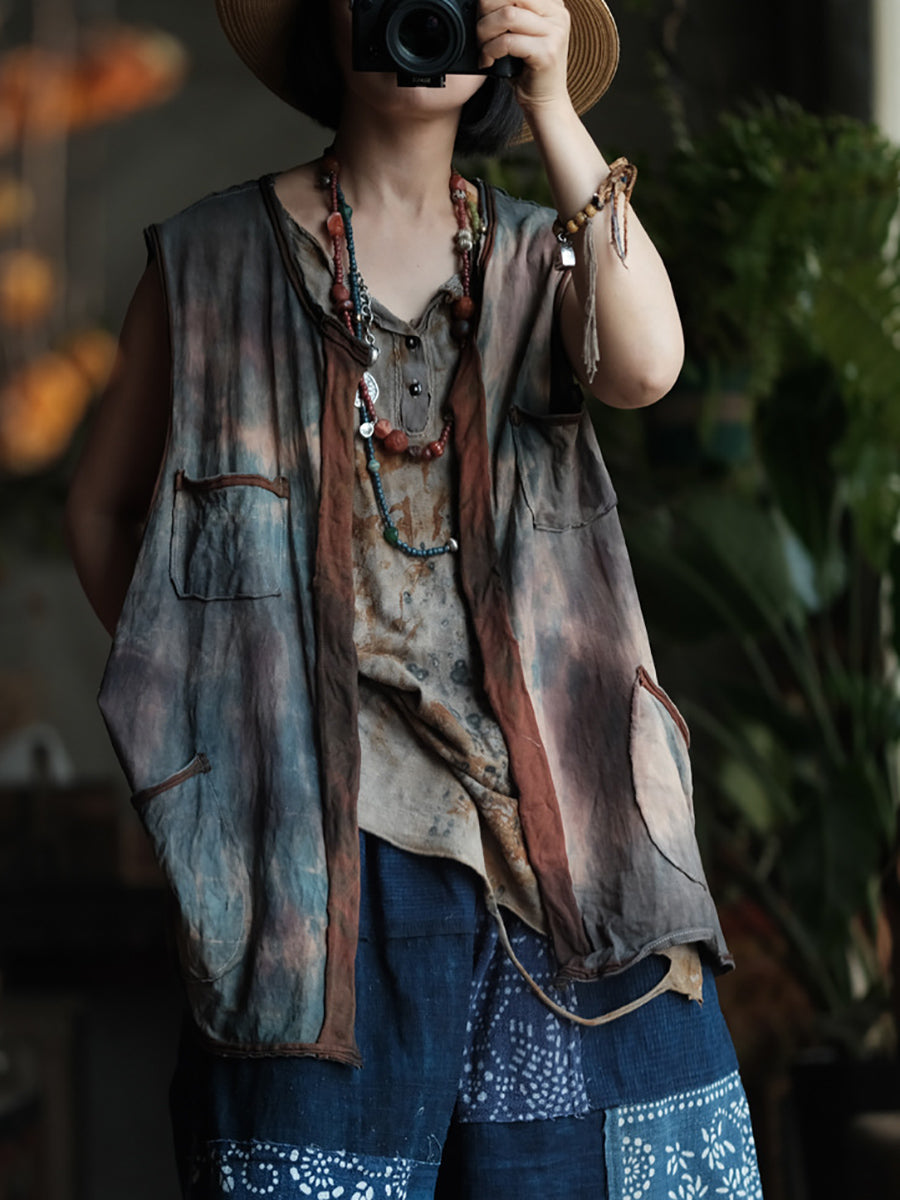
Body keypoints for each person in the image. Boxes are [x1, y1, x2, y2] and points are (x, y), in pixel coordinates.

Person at [66, 0, 764, 1196]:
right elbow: (101, 509)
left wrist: (554, 107)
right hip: (312, 864)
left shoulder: (548, 256)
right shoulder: (209, 259)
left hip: (565, 845)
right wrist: (209, 704)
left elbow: (648, 366)